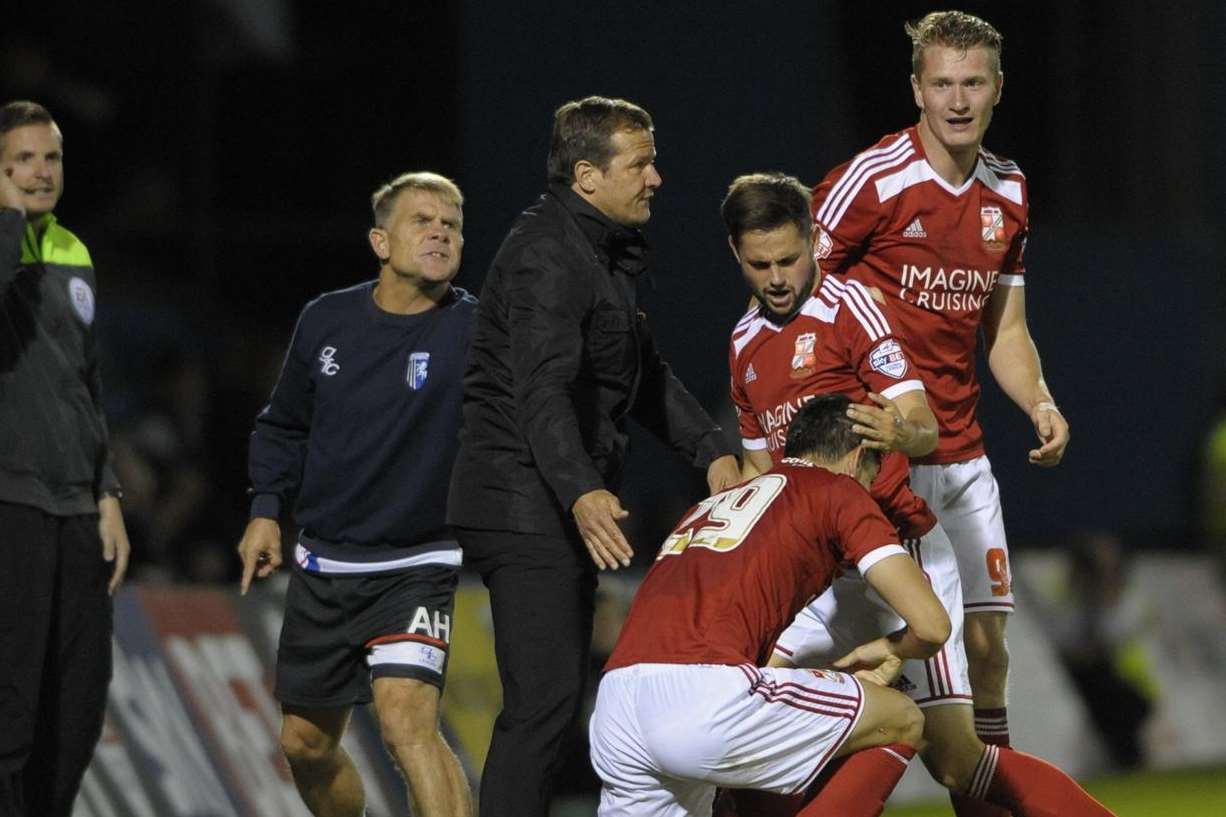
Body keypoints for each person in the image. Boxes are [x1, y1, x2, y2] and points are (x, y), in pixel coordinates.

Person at [719, 174, 1114, 817]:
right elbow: (760, 469)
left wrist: (899, 429)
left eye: (789, 259)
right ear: (736, 256)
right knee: (740, 725)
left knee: (957, 761)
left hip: (893, 556)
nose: (778, 277)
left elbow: (924, 425)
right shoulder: (743, 344)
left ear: (815, 242)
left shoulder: (851, 309)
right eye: (759, 264)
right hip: (816, 580)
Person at [447, 95, 740, 817]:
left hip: (550, 501)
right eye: (640, 163)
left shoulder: (596, 253)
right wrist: (580, 490)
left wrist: (712, 453)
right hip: (525, 503)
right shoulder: (549, 255)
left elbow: (642, 374)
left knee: (553, 704)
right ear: (586, 176)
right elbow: (537, 390)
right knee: (542, 706)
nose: (656, 178)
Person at [810, 13, 1071, 814]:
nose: (957, 100)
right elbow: (793, 296)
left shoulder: (1009, 189)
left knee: (988, 650)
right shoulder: (873, 180)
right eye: (942, 83)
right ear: (917, 89)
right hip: (883, 462)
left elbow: (1006, 329)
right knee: (893, 658)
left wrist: (1038, 399)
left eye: (973, 82)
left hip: (963, 456)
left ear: (997, 90)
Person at [236, 171, 473, 817]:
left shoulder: (477, 330)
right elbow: (282, 424)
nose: (440, 232)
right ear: (380, 241)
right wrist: (264, 512)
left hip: (417, 564)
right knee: (306, 743)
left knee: (406, 725)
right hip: (324, 565)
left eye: (451, 223)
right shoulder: (326, 318)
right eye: (423, 221)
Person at [592, 394, 951, 817]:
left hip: (615, 708)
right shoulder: (838, 490)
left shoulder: (710, 505)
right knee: (902, 718)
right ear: (857, 459)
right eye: (873, 475)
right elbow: (931, 626)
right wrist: (894, 649)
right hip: (700, 698)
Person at [0, 99, 131, 817]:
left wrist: (107, 489)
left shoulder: (73, 250)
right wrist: (7, 220)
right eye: (21, 158)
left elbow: (87, 381)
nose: (40, 171)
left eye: (50, 157)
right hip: (10, 501)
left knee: (78, 705)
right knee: (11, 703)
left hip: (76, 508)